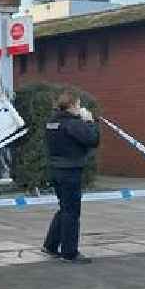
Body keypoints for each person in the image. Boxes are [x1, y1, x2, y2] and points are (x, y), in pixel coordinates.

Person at [42, 91, 100, 264]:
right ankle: (69, 253)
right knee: (72, 212)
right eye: (79, 105)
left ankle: (50, 245)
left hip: (56, 169)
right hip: (70, 170)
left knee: (64, 208)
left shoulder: (52, 122)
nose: (80, 108)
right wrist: (89, 121)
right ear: (73, 105)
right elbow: (93, 139)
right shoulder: (72, 123)